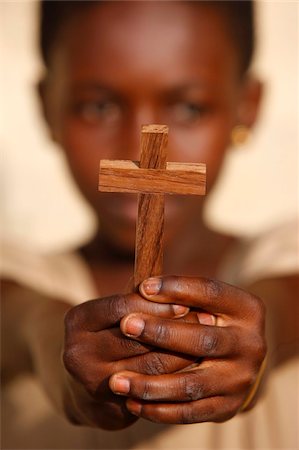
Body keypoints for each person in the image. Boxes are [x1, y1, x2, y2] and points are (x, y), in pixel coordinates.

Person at [1, 1, 298, 448]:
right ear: (47, 106)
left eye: (190, 109)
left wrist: (252, 345)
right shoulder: (16, 275)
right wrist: (65, 363)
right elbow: (24, 322)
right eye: (98, 107)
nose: (140, 149)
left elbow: (281, 313)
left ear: (247, 105)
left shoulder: (285, 254)